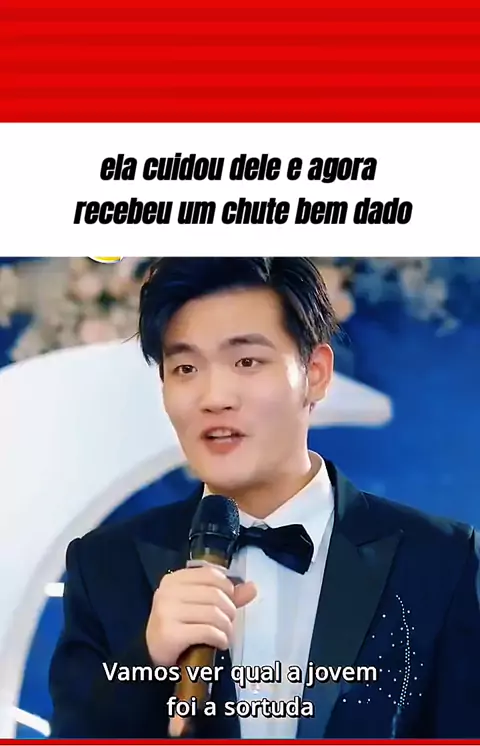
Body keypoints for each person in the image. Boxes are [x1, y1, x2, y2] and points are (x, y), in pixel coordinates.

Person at [49, 257, 480, 739]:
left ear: (316, 373)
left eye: (246, 362)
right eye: (186, 367)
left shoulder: (440, 560)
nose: (215, 397)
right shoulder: (105, 566)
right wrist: (146, 663)